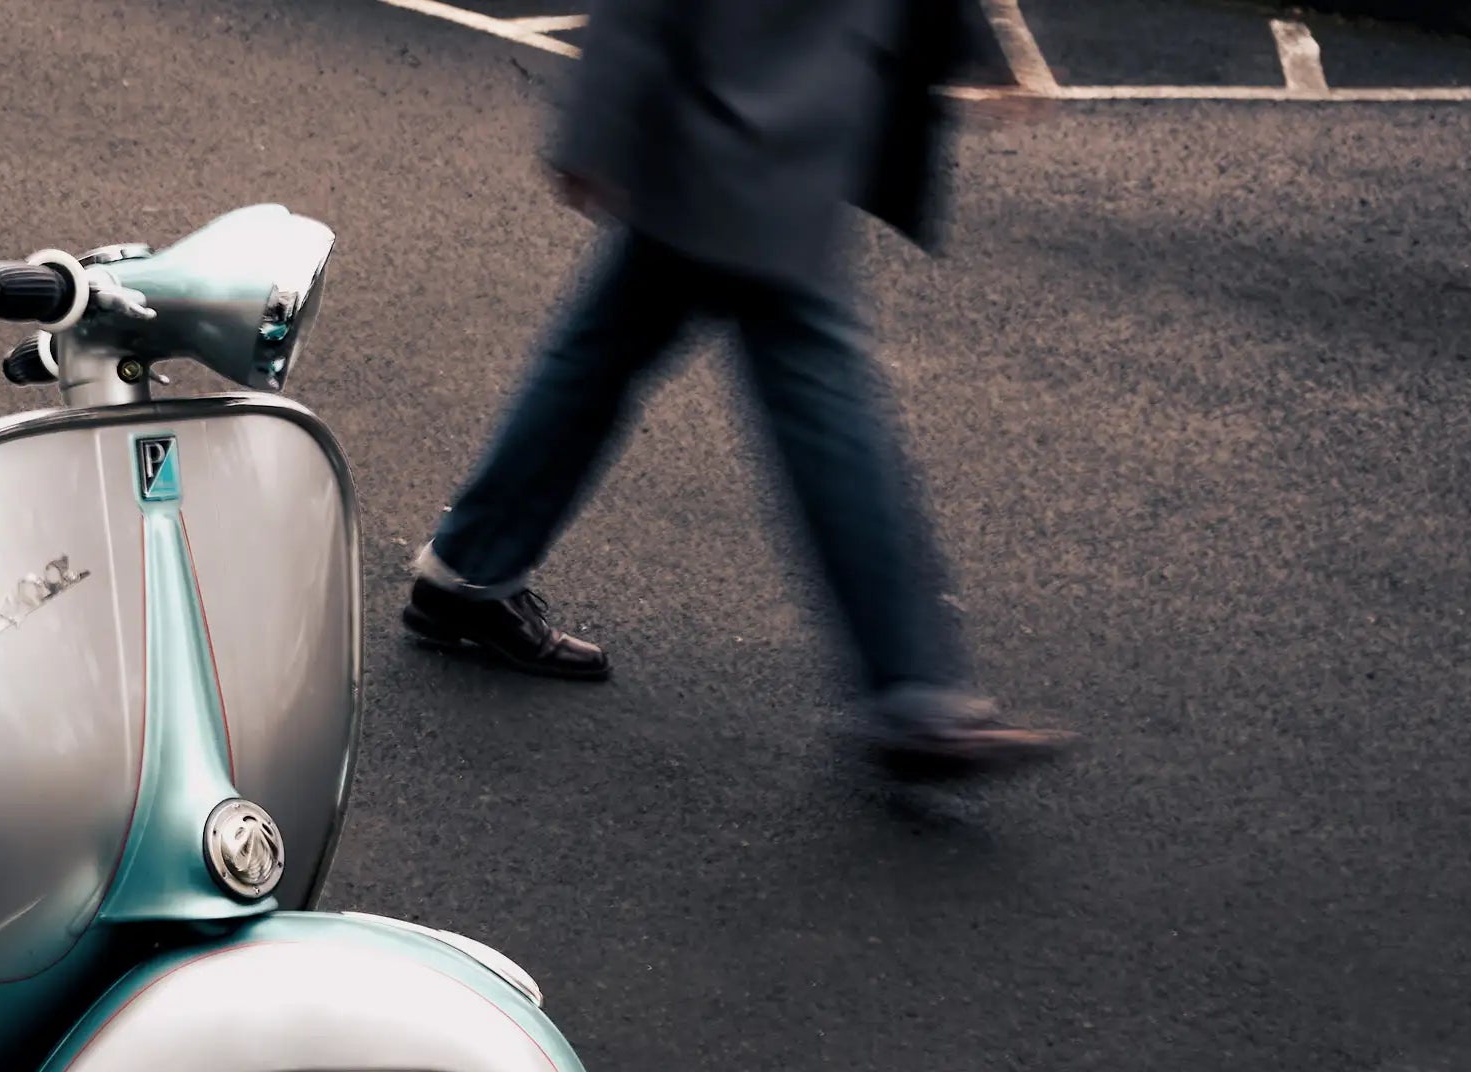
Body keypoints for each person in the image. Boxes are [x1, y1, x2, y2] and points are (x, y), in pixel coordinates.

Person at [404, 0, 1070, 777]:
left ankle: (468, 570)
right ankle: (915, 690)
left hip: (757, 120)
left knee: (604, 350)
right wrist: (596, 127)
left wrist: (959, 42)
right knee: (824, 402)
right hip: (740, 126)